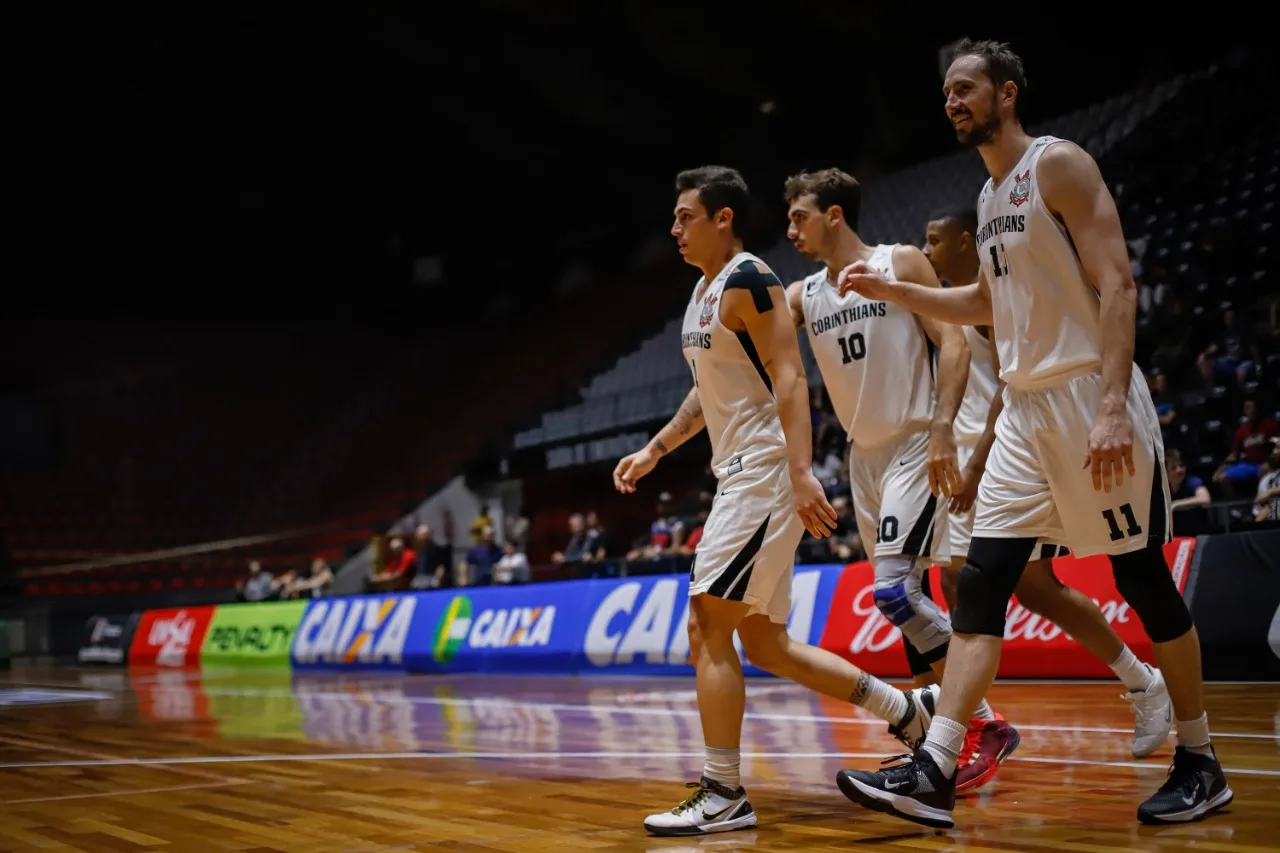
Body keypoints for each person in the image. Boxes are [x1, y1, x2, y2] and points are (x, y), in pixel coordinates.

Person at [833, 39, 1230, 828]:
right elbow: (987, 302)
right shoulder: (986, 199)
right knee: (979, 579)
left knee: (1141, 579)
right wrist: (897, 288)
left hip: (1088, 394)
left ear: (1007, 94)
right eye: (946, 92)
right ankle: (938, 765)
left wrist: (1114, 402)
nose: (953, 101)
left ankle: (1200, 757)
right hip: (1023, 409)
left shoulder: (1060, 164)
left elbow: (1118, 282)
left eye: (966, 89)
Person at [613, 165, 938, 837]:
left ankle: (724, 789)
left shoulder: (751, 279)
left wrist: (798, 471)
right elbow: (710, 389)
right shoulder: (704, 294)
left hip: (763, 474)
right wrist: (656, 449)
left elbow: (791, 378)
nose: (674, 228)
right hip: (742, 473)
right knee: (764, 641)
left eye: (684, 216)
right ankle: (909, 712)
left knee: (707, 623)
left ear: (721, 218)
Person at [782, 169, 1018, 795]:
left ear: (835, 215)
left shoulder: (900, 261)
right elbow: (751, 332)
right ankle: (941, 738)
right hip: (864, 459)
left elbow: (956, 344)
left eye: (799, 216)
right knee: (907, 599)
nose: (790, 229)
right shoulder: (805, 294)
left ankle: (983, 725)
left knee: (894, 594)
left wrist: (943, 429)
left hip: (915, 442)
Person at [922, 207, 1175, 780]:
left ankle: (968, 733)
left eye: (936, 240)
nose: (928, 249)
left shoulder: (997, 290)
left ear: (968, 242)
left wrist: (981, 458)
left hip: (1017, 442)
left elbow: (1012, 384)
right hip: (1002, 445)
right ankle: (1139, 680)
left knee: (982, 579)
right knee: (1023, 586)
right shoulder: (958, 296)